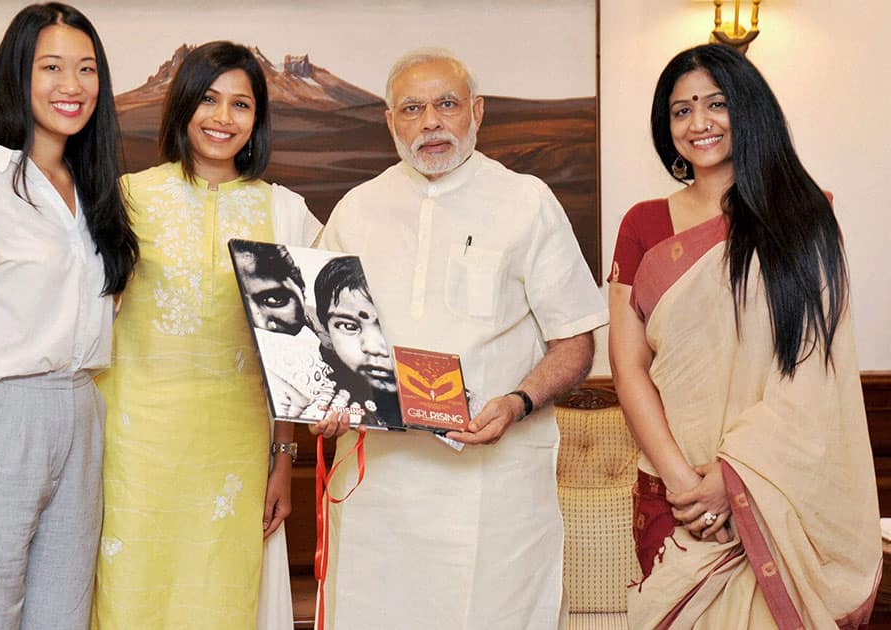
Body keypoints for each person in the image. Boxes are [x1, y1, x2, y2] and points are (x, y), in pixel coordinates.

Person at [312, 48, 608, 628]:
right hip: (380, 491)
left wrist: (518, 402)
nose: (431, 122)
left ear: (477, 111)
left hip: (493, 488)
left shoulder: (527, 202)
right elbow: (324, 345)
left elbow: (575, 342)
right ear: (389, 121)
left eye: (447, 104)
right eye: (412, 107)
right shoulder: (356, 209)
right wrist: (323, 399)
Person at [608, 44, 881, 628]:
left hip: (777, 489)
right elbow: (628, 366)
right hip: (673, 492)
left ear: (749, 110)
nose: (698, 122)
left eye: (716, 103)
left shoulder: (804, 217)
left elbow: (816, 369)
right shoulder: (643, 224)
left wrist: (730, 479)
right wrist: (685, 483)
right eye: (681, 110)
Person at [0, 3, 138, 628]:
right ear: (19, 74)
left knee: (63, 618)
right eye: (52, 67)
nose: (73, 86)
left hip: (83, 411)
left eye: (88, 69)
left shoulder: (95, 187)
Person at [92, 41, 321, 630]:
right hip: (134, 446)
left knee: (223, 595)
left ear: (257, 118)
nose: (223, 118)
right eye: (209, 99)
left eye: (240, 105)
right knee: (131, 593)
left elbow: (295, 357)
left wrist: (282, 460)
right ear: (183, 106)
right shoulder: (128, 199)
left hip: (235, 450)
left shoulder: (285, 213)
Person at [313, 255, 401, 428]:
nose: (373, 347)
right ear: (326, 332)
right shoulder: (326, 395)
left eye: (387, 326)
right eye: (348, 326)